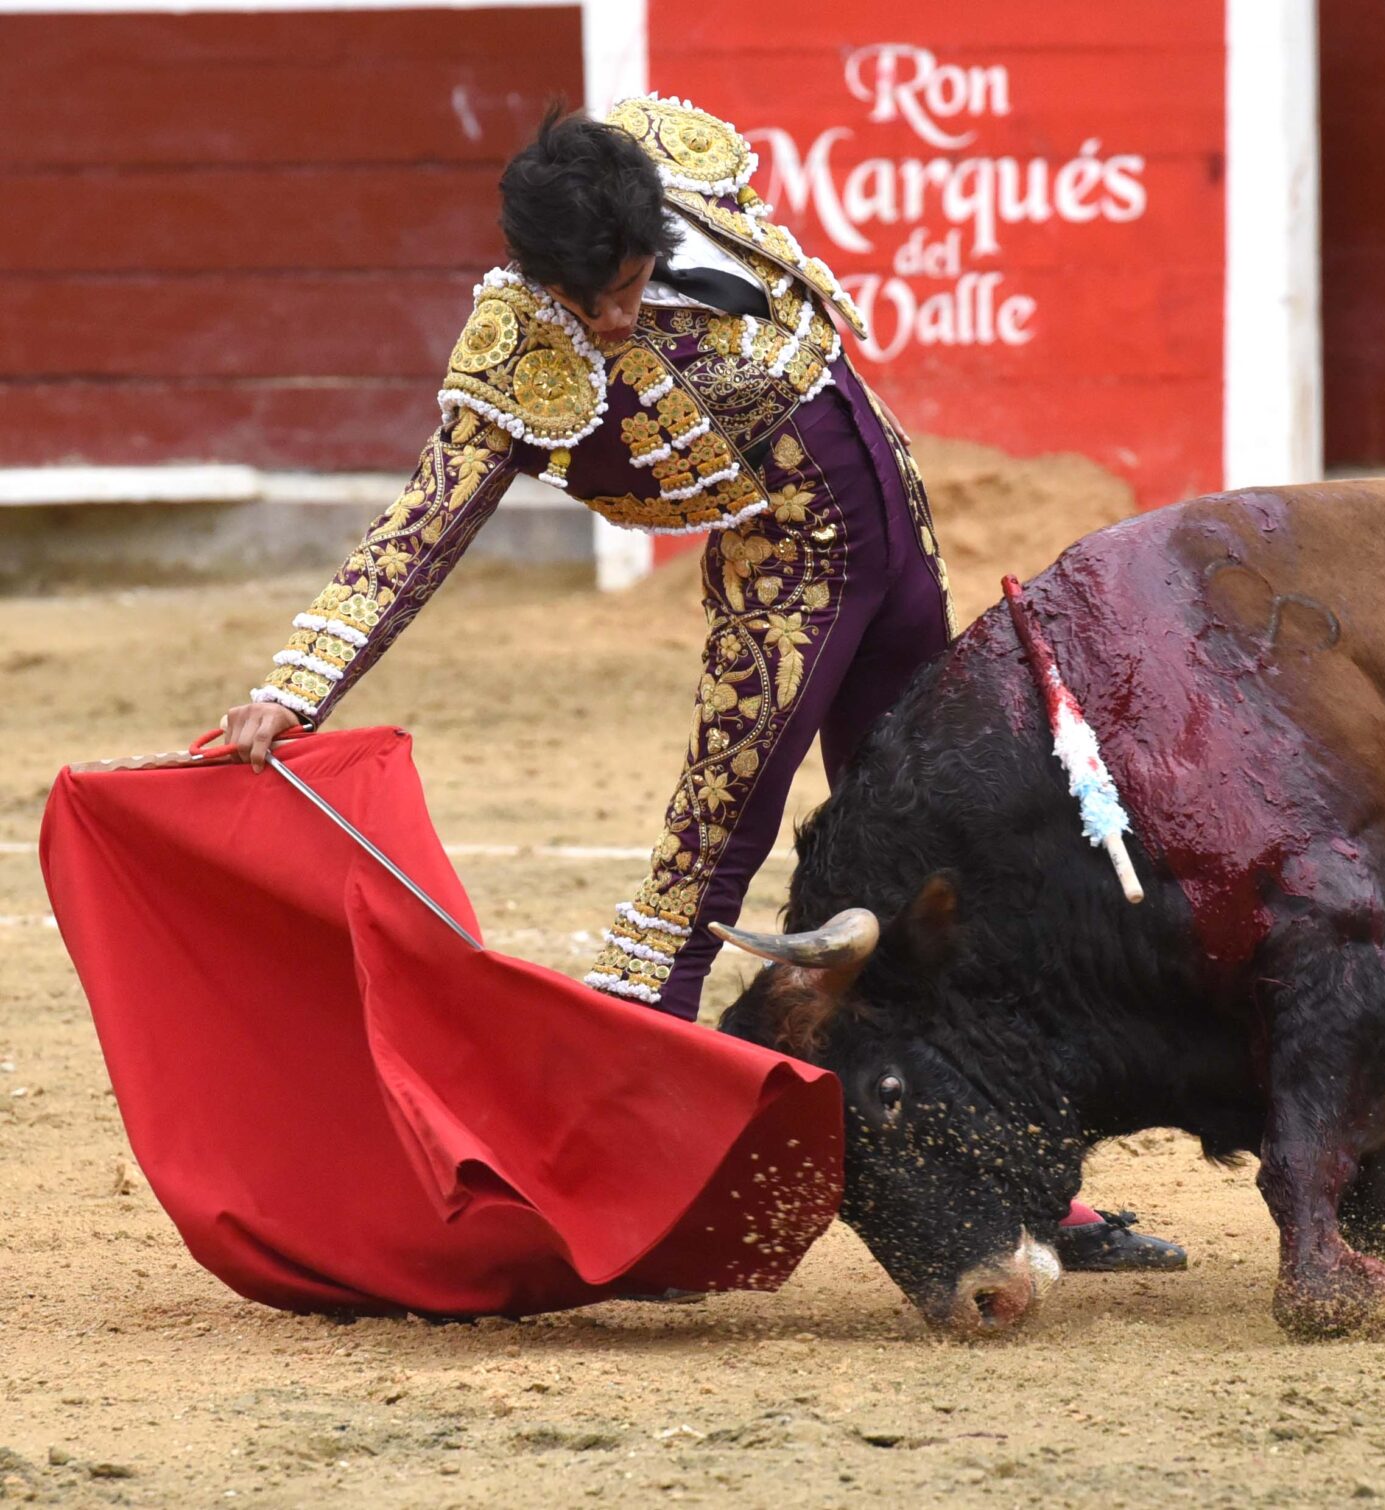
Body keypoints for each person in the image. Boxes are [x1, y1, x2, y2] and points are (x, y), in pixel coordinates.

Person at [217, 98, 1180, 1274]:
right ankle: (607, 1191)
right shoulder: (514, 351)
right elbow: (420, 528)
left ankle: (1032, 1186)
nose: (616, 317)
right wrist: (297, 687)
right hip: (787, 584)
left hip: (898, 537)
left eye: (630, 284)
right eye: (591, 300)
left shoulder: (674, 169)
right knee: (698, 870)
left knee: (950, 866)